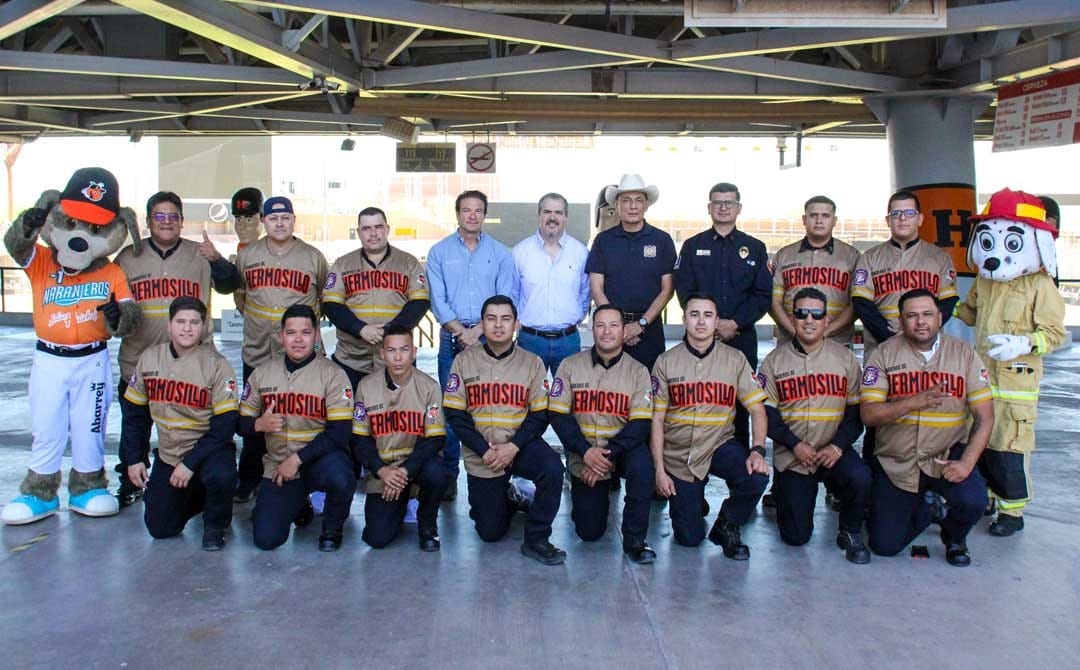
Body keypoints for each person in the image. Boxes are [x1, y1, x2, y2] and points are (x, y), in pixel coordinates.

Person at [112, 191, 241, 508]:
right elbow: (112, 306)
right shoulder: (128, 258)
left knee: (198, 429)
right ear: (148, 221)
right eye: (160, 216)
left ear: (182, 221)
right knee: (136, 425)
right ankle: (131, 479)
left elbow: (229, 285)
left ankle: (198, 480)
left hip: (195, 366)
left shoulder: (200, 254)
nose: (167, 222)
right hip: (139, 361)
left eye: (173, 217)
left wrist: (218, 260)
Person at [861, 289, 993, 566]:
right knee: (883, 545)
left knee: (973, 500)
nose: (920, 322)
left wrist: (967, 463)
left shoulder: (964, 354)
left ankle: (955, 537)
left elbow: (985, 417)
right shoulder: (883, 355)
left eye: (927, 314)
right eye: (912, 316)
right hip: (898, 461)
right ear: (900, 321)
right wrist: (913, 402)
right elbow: (869, 415)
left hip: (945, 455)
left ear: (940, 317)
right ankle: (930, 507)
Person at [442, 295, 567, 565]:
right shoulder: (464, 361)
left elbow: (539, 413)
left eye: (505, 319)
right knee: (489, 532)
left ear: (516, 325)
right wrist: (484, 450)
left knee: (552, 467)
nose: (498, 325)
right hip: (482, 451)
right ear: (483, 324)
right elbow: (455, 414)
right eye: (491, 319)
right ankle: (510, 498)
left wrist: (514, 446)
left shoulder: (532, 362)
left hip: (519, 445)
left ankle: (537, 538)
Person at [223, 195, 329, 502]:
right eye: (273, 218)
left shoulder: (313, 256)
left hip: (302, 356)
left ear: (294, 220)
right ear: (264, 222)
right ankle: (250, 478)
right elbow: (241, 297)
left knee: (306, 414)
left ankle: (309, 476)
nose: (279, 223)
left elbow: (322, 298)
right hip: (257, 351)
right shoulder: (248, 255)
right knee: (256, 417)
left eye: (285, 218)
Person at [651, 293, 770, 559]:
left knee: (757, 476)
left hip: (718, 445)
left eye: (707, 315)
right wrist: (659, 470)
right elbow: (657, 419)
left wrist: (758, 451)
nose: (701, 322)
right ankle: (691, 500)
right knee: (689, 539)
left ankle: (727, 525)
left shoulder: (736, 359)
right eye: (694, 315)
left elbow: (757, 408)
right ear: (684, 320)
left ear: (717, 321)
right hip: (679, 454)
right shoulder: (666, 362)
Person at [758, 288, 870, 564]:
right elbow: (767, 416)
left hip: (833, 452)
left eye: (816, 313)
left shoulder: (845, 358)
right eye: (801, 313)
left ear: (827, 320)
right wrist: (795, 445)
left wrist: (837, 446)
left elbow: (856, 413)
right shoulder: (774, 361)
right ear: (792, 319)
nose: (809, 319)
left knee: (861, 478)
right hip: (794, 457)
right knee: (795, 537)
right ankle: (787, 498)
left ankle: (850, 530)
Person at [121, 297, 239, 551]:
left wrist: (190, 464)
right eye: (181, 322)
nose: (187, 328)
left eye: (194, 322)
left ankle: (216, 525)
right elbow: (135, 415)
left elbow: (225, 425)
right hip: (169, 454)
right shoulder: (150, 359)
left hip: (208, 452)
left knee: (221, 475)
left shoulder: (218, 366)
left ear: (204, 327)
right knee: (161, 528)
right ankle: (200, 495)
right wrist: (134, 457)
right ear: (169, 325)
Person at [239, 305, 356, 551]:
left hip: (319, 461)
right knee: (266, 539)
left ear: (316, 336)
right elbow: (240, 423)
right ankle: (299, 503)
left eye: (305, 332)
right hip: (278, 465)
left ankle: (332, 530)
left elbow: (340, 432)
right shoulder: (262, 374)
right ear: (281, 337)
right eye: (291, 333)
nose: (299, 339)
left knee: (342, 476)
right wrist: (258, 424)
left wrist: (298, 458)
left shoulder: (333, 374)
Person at [426, 190, 517, 501]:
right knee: (453, 410)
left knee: (494, 406)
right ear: (458, 214)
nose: (472, 216)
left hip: (490, 340)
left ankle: (502, 474)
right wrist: (460, 331)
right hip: (452, 338)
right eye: (467, 210)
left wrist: (479, 331)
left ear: (484, 214)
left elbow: (505, 299)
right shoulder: (439, 252)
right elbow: (437, 299)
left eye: (479, 210)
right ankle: (450, 476)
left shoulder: (502, 253)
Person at [548, 304, 656, 563]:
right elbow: (558, 415)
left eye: (613, 325)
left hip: (621, 451)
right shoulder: (570, 366)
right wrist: (586, 452)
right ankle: (591, 498)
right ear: (591, 329)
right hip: (583, 453)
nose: (607, 332)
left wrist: (604, 457)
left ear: (623, 331)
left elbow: (641, 423)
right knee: (588, 532)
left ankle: (635, 540)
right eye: (600, 325)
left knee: (643, 468)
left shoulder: (638, 371)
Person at [674, 182, 771, 448]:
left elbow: (763, 294)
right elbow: (683, 290)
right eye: (718, 202)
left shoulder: (755, 248)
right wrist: (711, 324)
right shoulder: (693, 246)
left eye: (729, 202)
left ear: (739, 207)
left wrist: (736, 323)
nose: (723, 207)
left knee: (740, 405)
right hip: (700, 338)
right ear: (709, 208)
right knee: (694, 400)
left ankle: (739, 467)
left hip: (740, 339)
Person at [351, 325, 447, 551]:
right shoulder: (366, 386)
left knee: (437, 472)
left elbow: (435, 439)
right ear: (382, 354)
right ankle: (402, 500)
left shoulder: (429, 386)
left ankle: (428, 526)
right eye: (391, 351)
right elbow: (359, 439)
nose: (397, 357)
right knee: (377, 539)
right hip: (383, 471)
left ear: (414, 352)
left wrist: (404, 471)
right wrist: (383, 471)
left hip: (416, 466)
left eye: (404, 350)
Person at [323, 206, 430, 391]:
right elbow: (331, 305)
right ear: (358, 232)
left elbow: (419, 303)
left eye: (378, 227)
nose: (373, 233)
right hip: (351, 359)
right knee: (352, 415)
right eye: (366, 228)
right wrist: (361, 329)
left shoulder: (408, 263)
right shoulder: (342, 264)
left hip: (396, 359)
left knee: (398, 415)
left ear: (387, 229)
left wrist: (388, 331)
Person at [852, 189, 958, 360]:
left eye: (909, 212)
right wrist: (889, 336)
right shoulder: (870, 258)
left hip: (928, 350)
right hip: (881, 348)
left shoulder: (939, 257)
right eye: (896, 213)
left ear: (920, 219)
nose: (903, 218)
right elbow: (861, 303)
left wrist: (921, 336)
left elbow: (947, 302)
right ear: (888, 220)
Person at [586, 174, 676, 371]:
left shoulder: (662, 240)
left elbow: (667, 290)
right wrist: (618, 326)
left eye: (638, 200)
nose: (632, 206)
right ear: (617, 205)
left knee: (650, 392)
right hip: (610, 334)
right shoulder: (603, 241)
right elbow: (596, 288)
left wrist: (640, 324)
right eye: (626, 200)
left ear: (646, 205)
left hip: (650, 330)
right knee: (611, 394)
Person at [512, 192, 590, 375]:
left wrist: (575, 317)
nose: (552, 217)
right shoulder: (520, 252)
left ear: (566, 217)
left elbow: (586, 293)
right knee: (527, 398)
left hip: (568, 340)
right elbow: (512, 294)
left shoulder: (580, 253)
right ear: (539, 216)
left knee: (570, 399)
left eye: (558, 212)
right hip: (530, 340)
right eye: (547, 212)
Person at [769, 195, 859, 346]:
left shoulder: (852, 256)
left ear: (834, 221)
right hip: (791, 343)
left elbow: (856, 304)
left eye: (825, 216)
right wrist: (794, 331)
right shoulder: (784, 255)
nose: (819, 221)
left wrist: (826, 331)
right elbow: (773, 302)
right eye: (813, 215)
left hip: (837, 343)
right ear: (804, 219)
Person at [228, 186, 264, 315]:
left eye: (248, 219)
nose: (241, 226)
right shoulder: (238, 254)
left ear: (262, 220)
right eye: (238, 219)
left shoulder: (270, 253)